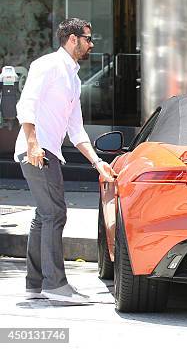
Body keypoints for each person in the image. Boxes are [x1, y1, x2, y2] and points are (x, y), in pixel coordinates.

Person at [14, 18, 116, 303]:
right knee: (55, 214)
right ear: (72, 39)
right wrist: (34, 146)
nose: (91, 44)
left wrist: (97, 162)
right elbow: (26, 105)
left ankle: (35, 285)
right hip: (38, 152)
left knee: (43, 216)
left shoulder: (73, 77)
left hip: (49, 152)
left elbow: (76, 129)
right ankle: (55, 285)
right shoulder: (47, 65)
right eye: (87, 38)